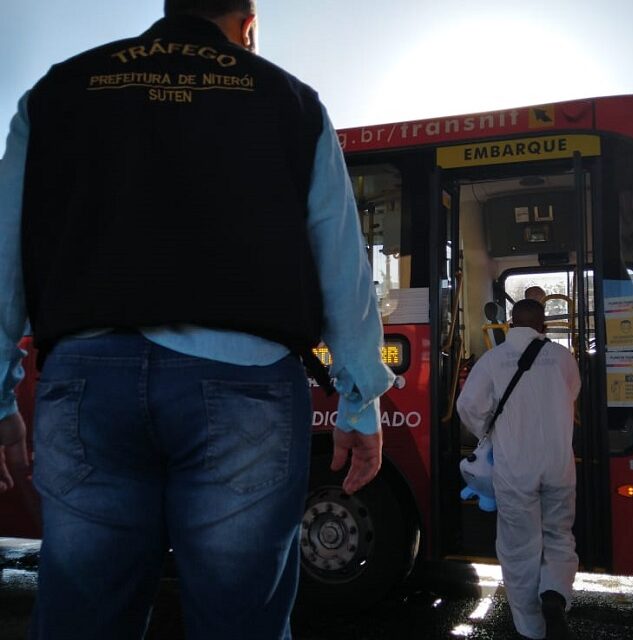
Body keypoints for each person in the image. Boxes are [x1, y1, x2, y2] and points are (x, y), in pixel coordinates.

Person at [0, 1, 394, 638]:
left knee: (82, 613)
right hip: (246, 385)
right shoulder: (291, 101)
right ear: (248, 26)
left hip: (87, 380)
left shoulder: (57, 90)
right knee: (242, 619)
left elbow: (5, 251)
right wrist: (359, 401)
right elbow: (341, 266)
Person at [456, 299, 580, 640]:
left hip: (516, 468)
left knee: (519, 547)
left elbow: (468, 406)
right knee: (558, 535)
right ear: (543, 325)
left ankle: (531, 628)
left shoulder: (493, 361)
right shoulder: (563, 359)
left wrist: (488, 431)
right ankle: (555, 596)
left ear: (511, 323)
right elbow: (572, 394)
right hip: (559, 465)